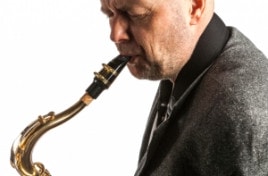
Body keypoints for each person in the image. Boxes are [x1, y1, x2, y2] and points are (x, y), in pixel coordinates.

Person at [100, 0, 268, 175]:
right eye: (109, 14)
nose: (116, 34)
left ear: (195, 7)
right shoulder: (178, 63)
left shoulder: (239, 109)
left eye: (136, 14)